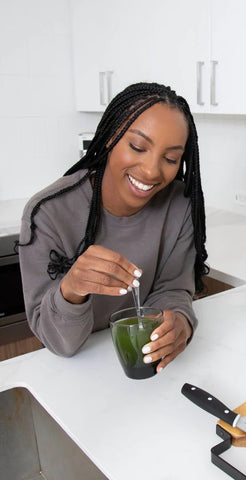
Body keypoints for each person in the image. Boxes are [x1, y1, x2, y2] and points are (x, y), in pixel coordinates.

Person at [17, 82, 209, 373]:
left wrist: (178, 320)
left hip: (145, 369)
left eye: (170, 159)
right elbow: (58, 343)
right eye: (137, 147)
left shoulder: (179, 206)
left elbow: (172, 288)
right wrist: (71, 289)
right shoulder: (48, 213)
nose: (151, 171)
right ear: (109, 138)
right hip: (74, 372)